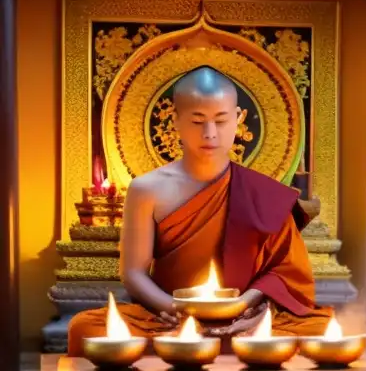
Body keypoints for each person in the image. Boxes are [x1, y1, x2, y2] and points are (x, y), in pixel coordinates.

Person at [67, 66, 331, 354]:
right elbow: (133, 273)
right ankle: (228, 348)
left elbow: (283, 272)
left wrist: (244, 306)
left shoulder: (261, 191)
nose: (210, 133)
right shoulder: (146, 189)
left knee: (324, 327)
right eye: (197, 121)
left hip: (245, 318)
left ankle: (222, 342)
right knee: (85, 328)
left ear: (239, 119)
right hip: (171, 317)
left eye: (220, 120)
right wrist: (175, 308)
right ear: (175, 120)